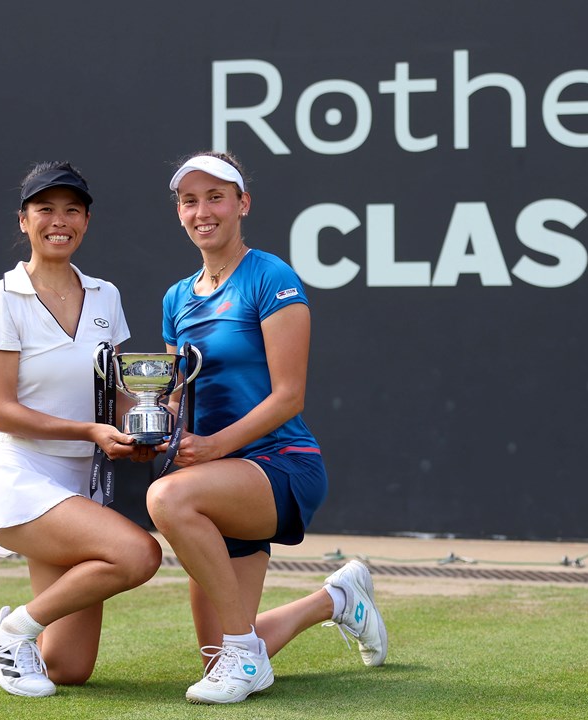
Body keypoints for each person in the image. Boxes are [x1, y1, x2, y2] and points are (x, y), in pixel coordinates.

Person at [0, 161, 164, 698]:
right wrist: (92, 432)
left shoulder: (106, 297)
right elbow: (0, 411)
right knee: (139, 554)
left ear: (86, 221)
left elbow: (120, 391)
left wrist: (145, 423)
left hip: (80, 488)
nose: (58, 220)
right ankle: (5, 636)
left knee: (66, 667)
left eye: (72, 210)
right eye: (45, 209)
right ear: (24, 220)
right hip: (22, 480)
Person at [147, 151, 388, 705]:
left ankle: (247, 656)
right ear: (179, 212)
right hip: (216, 475)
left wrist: (210, 449)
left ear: (242, 204)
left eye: (215, 197)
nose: (202, 211)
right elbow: (177, 392)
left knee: (168, 501)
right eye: (190, 200)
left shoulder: (271, 275)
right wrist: (153, 430)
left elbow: (289, 395)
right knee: (216, 658)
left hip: (281, 465)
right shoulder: (176, 298)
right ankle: (336, 599)